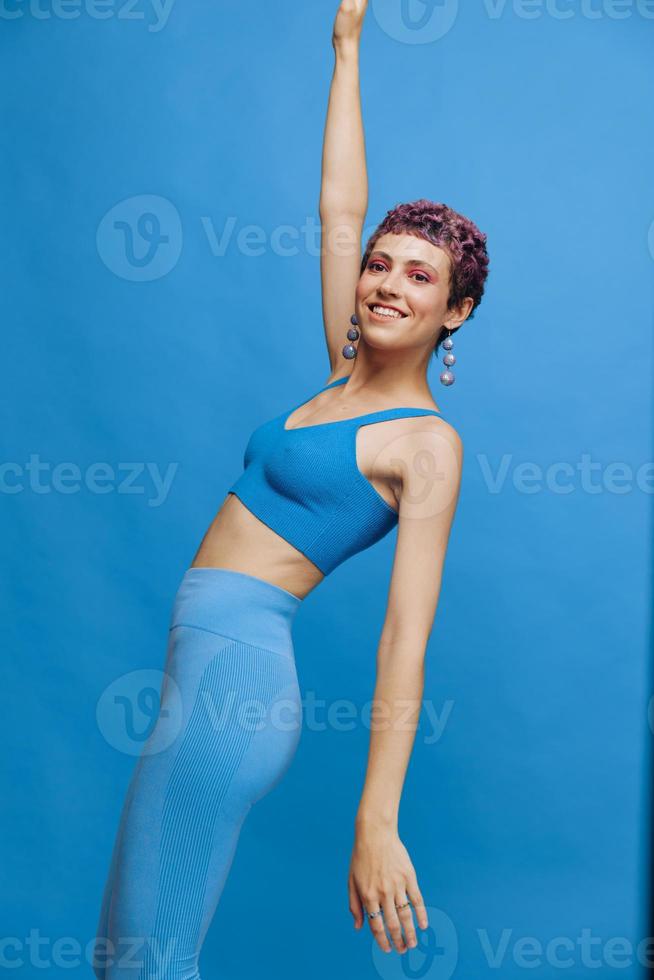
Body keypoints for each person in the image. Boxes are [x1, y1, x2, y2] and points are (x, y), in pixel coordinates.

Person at [93, 1, 489, 975]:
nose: (389, 283)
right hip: (203, 672)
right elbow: (339, 207)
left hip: (238, 685)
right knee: (133, 951)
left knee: (142, 959)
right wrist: (347, 48)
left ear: (457, 312)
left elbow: (407, 635)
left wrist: (377, 817)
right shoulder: (340, 372)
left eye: (421, 277)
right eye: (382, 266)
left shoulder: (426, 444)